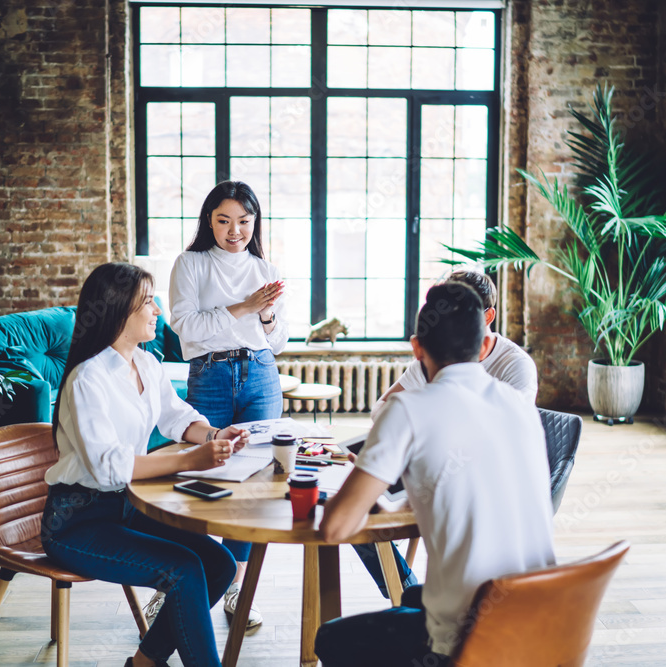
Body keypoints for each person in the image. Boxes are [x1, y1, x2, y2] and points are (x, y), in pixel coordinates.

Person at [314, 283, 555, 667]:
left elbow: (334, 528)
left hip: (470, 644)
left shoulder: (408, 409)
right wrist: (401, 508)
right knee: (412, 598)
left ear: (416, 348)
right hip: (545, 628)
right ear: (484, 347)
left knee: (329, 638)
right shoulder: (519, 405)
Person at [41, 262, 251, 667]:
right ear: (118, 311)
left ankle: (144, 662)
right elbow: (107, 467)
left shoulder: (147, 363)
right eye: (148, 302)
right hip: (76, 522)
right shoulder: (88, 379)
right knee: (185, 571)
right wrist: (191, 460)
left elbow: (176, 417)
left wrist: (214, 435)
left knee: (219, 564)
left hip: (126, 508)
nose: (158, 310)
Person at [161, 180, 288, 630]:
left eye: (244, 221)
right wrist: (245, 307)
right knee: (199, 475)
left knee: (255, 481)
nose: (234, 231)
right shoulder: (190, 263)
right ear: (209, 220)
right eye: (223, 220)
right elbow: (185, 329)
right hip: (210, 375)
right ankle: (180, 587)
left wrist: (267, 314)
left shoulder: (264, 267)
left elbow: (278, 340)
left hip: (260, 373)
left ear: (255, 223)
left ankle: (236, 586)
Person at [371, 269, 538, 420]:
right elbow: (382, 406)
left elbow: (509, 428)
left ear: (488, 317)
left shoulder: (517, 365)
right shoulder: (437, 353)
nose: (453, 320)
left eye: (465, 312)